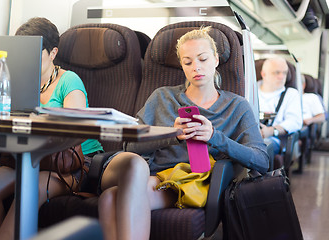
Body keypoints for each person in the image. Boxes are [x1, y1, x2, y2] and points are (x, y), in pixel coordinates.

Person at [97, 26, 269, 240]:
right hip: (150, 173)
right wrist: (172, 134)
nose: (196, 67)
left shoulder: (237, 106)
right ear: (182, 66)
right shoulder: (162, 97)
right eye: (188, 62)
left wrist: (214, 137)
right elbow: (130, 148)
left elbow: (261, 160)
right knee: (119, 184)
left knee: (112, 199)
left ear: (216, 59)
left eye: (203, 59)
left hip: (192, 181)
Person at [0, 17, 103, 240]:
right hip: (24, 158)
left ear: (53, 53)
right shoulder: (13, 81)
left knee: (29, 191)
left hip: (71, 163)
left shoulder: (68, 80)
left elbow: (74, 130)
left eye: (35, 53)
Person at [258, 57, 302, 155]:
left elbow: (295, 122)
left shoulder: (291, 94)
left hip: (273, 139)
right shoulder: (250, 89)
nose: (282, 77)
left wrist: (272, 131)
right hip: (249, 135)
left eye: (285, 73)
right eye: (277, 72)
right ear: (263, 74)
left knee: (259, 147)